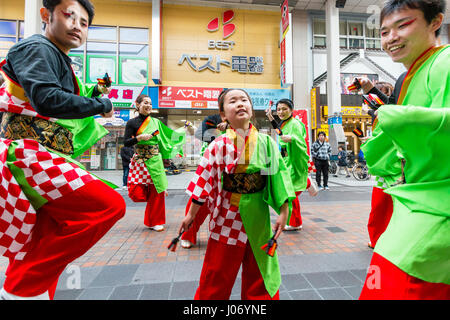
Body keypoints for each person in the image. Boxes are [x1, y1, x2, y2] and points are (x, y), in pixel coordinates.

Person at [0, 0, 126, 300]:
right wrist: (102, 104)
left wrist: (96, 94)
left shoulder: (57, 58)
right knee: (108, 205)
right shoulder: (36, 48)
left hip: (42, 153)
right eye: (69, 16)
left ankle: (27, 290)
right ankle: (21, 289)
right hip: (28, 152)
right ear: (46, 15)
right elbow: (48, 99)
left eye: (84, 23)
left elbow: (64, 97)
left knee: (44, 234)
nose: (76, 26)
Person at [357, 0, 450, 299]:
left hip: (438, 204)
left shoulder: (445, 61)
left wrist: (393, 116)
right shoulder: (412, 72)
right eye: (384, 31)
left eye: (403, 25)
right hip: (420, 199)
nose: (390, 38)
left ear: (435, 21)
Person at [178, 88, 296, 300]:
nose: (240, 103)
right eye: (233, 101)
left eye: (244, 100)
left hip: (258, 220)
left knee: (261, 274)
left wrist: (283, 211)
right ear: (223, 114)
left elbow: (279, 180)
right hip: (226, 218)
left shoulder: (267, 142)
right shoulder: (217, 146)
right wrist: (191, 215)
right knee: (216, 275)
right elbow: (203, 182)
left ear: (251, 109)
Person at [124, 94, 191, 232]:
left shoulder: (156, 123)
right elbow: (125, 142)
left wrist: (183, 129)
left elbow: (169, 136)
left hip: (155, 161)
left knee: (157, 193)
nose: (148, 105)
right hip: (140, 162)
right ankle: (152, 213)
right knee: (136, 194)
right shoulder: (132, 123)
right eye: (145, 103)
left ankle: (155, 221)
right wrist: (138, 138)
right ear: (137, 105)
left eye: (150, 103)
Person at [180, 113, 228, 249]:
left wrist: (230, 127)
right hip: (212, 165)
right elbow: (199, 134)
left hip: (232, 170)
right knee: (199, 199)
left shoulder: (240, 120)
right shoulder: (211, 119)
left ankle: (225, 238)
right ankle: (187, 235)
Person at [265, 98, 311, 231]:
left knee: (290, 193)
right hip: (286, 161)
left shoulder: (295, 124)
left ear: (291, 110)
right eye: (279, 109)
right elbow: (280, 132)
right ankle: (307, 182)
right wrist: (270, 118)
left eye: (284, 109)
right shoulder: (286, 123)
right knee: (290, 192)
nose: (281, 112)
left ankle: (295, 222)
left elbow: (302, 143)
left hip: (293, 162)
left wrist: (292, 139)